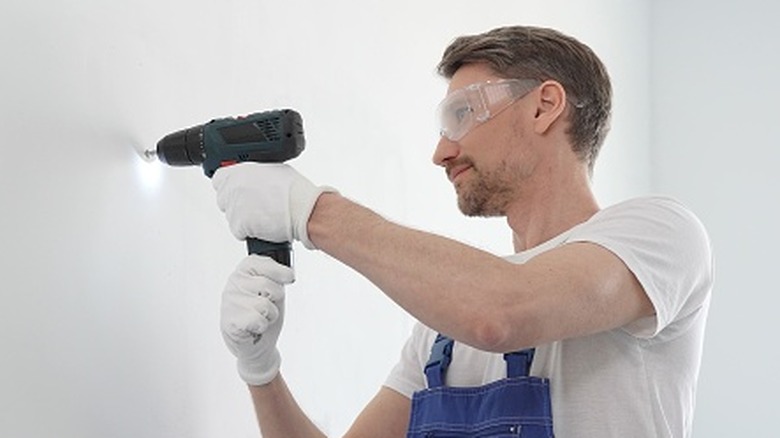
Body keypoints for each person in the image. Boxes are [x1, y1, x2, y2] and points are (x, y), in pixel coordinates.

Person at [213, 25, 713, 437]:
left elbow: (500, 314)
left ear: (544, 106)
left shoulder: (658, 235)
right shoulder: (439, 332)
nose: (441, 153)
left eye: (462, 115)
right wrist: (261, 371)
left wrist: (311, 211)